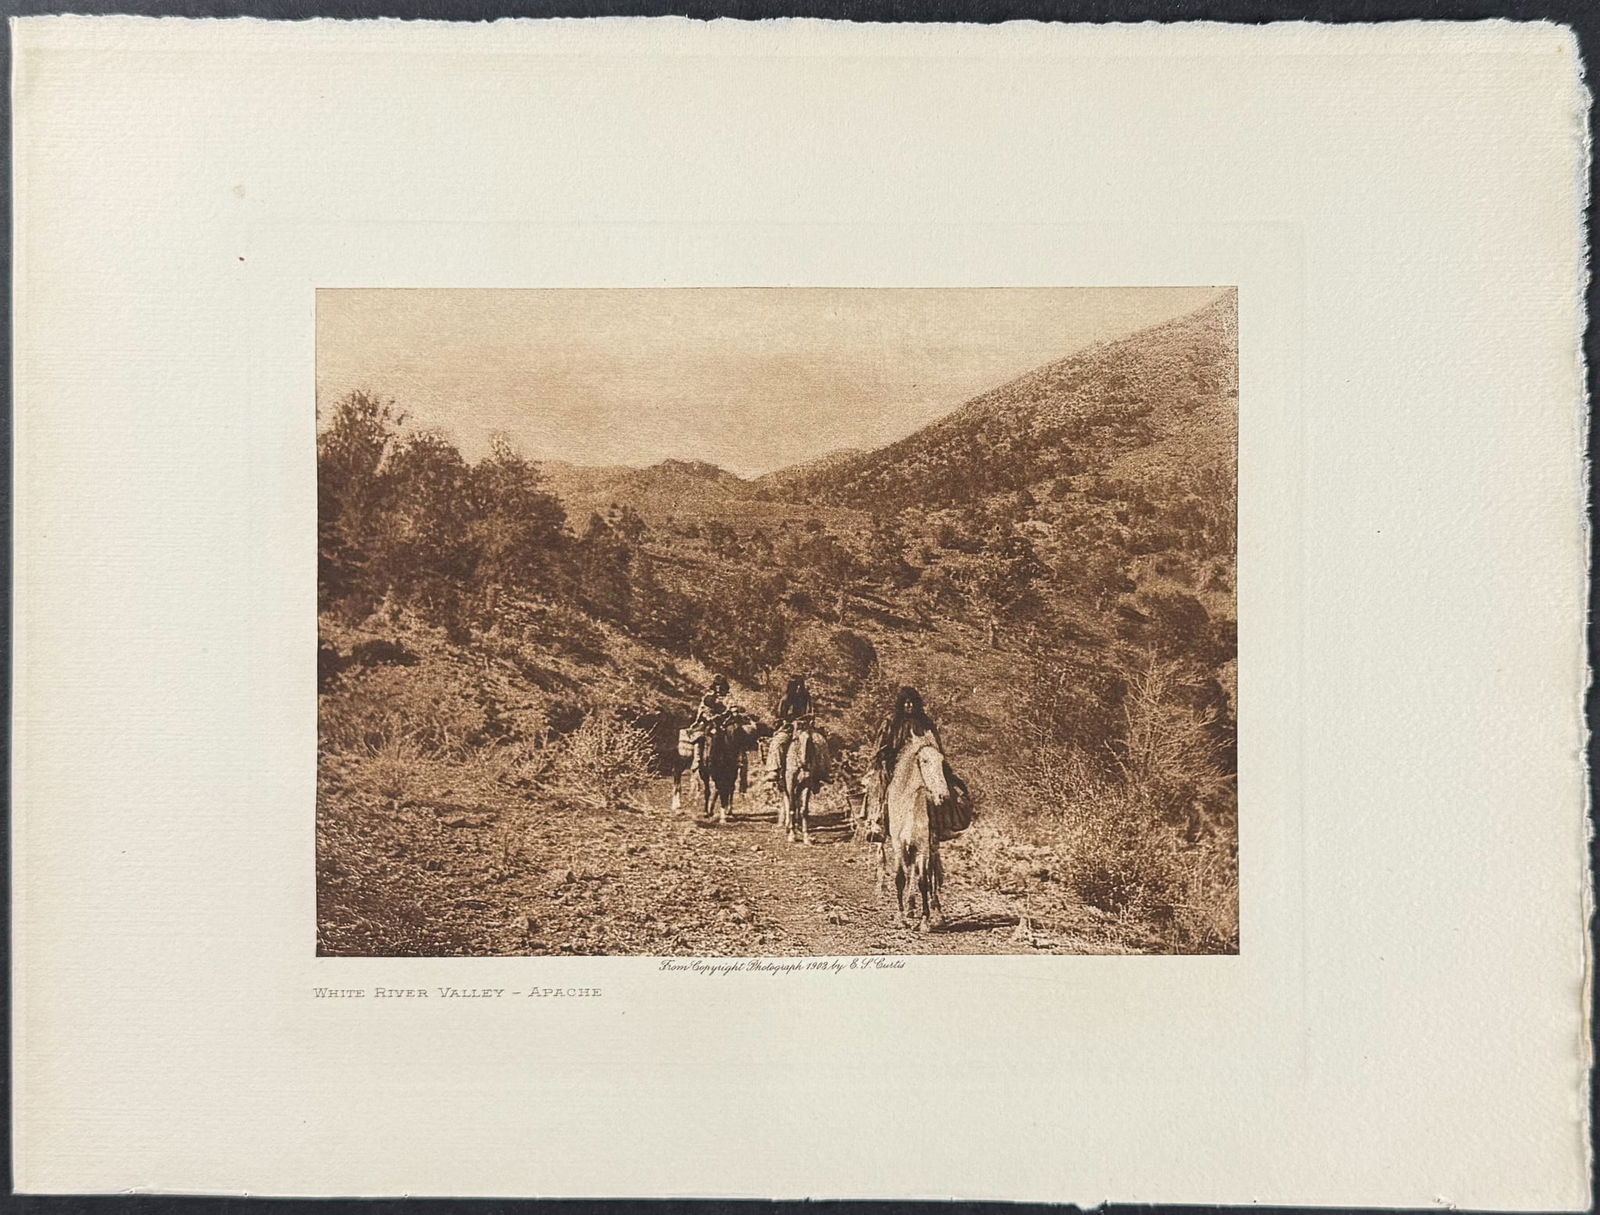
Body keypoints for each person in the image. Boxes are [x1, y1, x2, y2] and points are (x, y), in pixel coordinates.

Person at [866, 685, 970, 838]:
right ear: (901, 704)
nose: (909, 705)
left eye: (912, 702)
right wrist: (884, 759)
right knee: (881, 782)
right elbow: (882, 744)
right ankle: (878, 821)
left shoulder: (925, 722)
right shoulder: (892, 722)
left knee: (945, 784)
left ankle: (945, 825)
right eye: (906, 702)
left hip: (924, 761)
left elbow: (935, 743)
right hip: (895, 764)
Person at [765, 673, 813, 788]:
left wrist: (808, 719)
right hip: (789, 727)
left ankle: (824, 769)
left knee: (816, 741)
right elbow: (780, 715)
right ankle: (774, 769)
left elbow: (811, 711)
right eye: (795, 685)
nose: (798, 688)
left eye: (800, 685)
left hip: (804, 726)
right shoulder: (785, 699)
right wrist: (786, 722)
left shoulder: (806, 697)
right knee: (777, 742)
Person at [686, 674, 733, 778]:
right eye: (716, 685)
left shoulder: (728, 697)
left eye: (720, 685)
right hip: (707, 722)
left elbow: (730, 709)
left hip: (723, 723)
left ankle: (735, 759)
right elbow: (702, 708)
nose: (718, 688)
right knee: (699, 736)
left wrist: (722, 716)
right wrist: (706, 716)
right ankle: (697, 758)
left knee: (731, 736)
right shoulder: (707, 696)